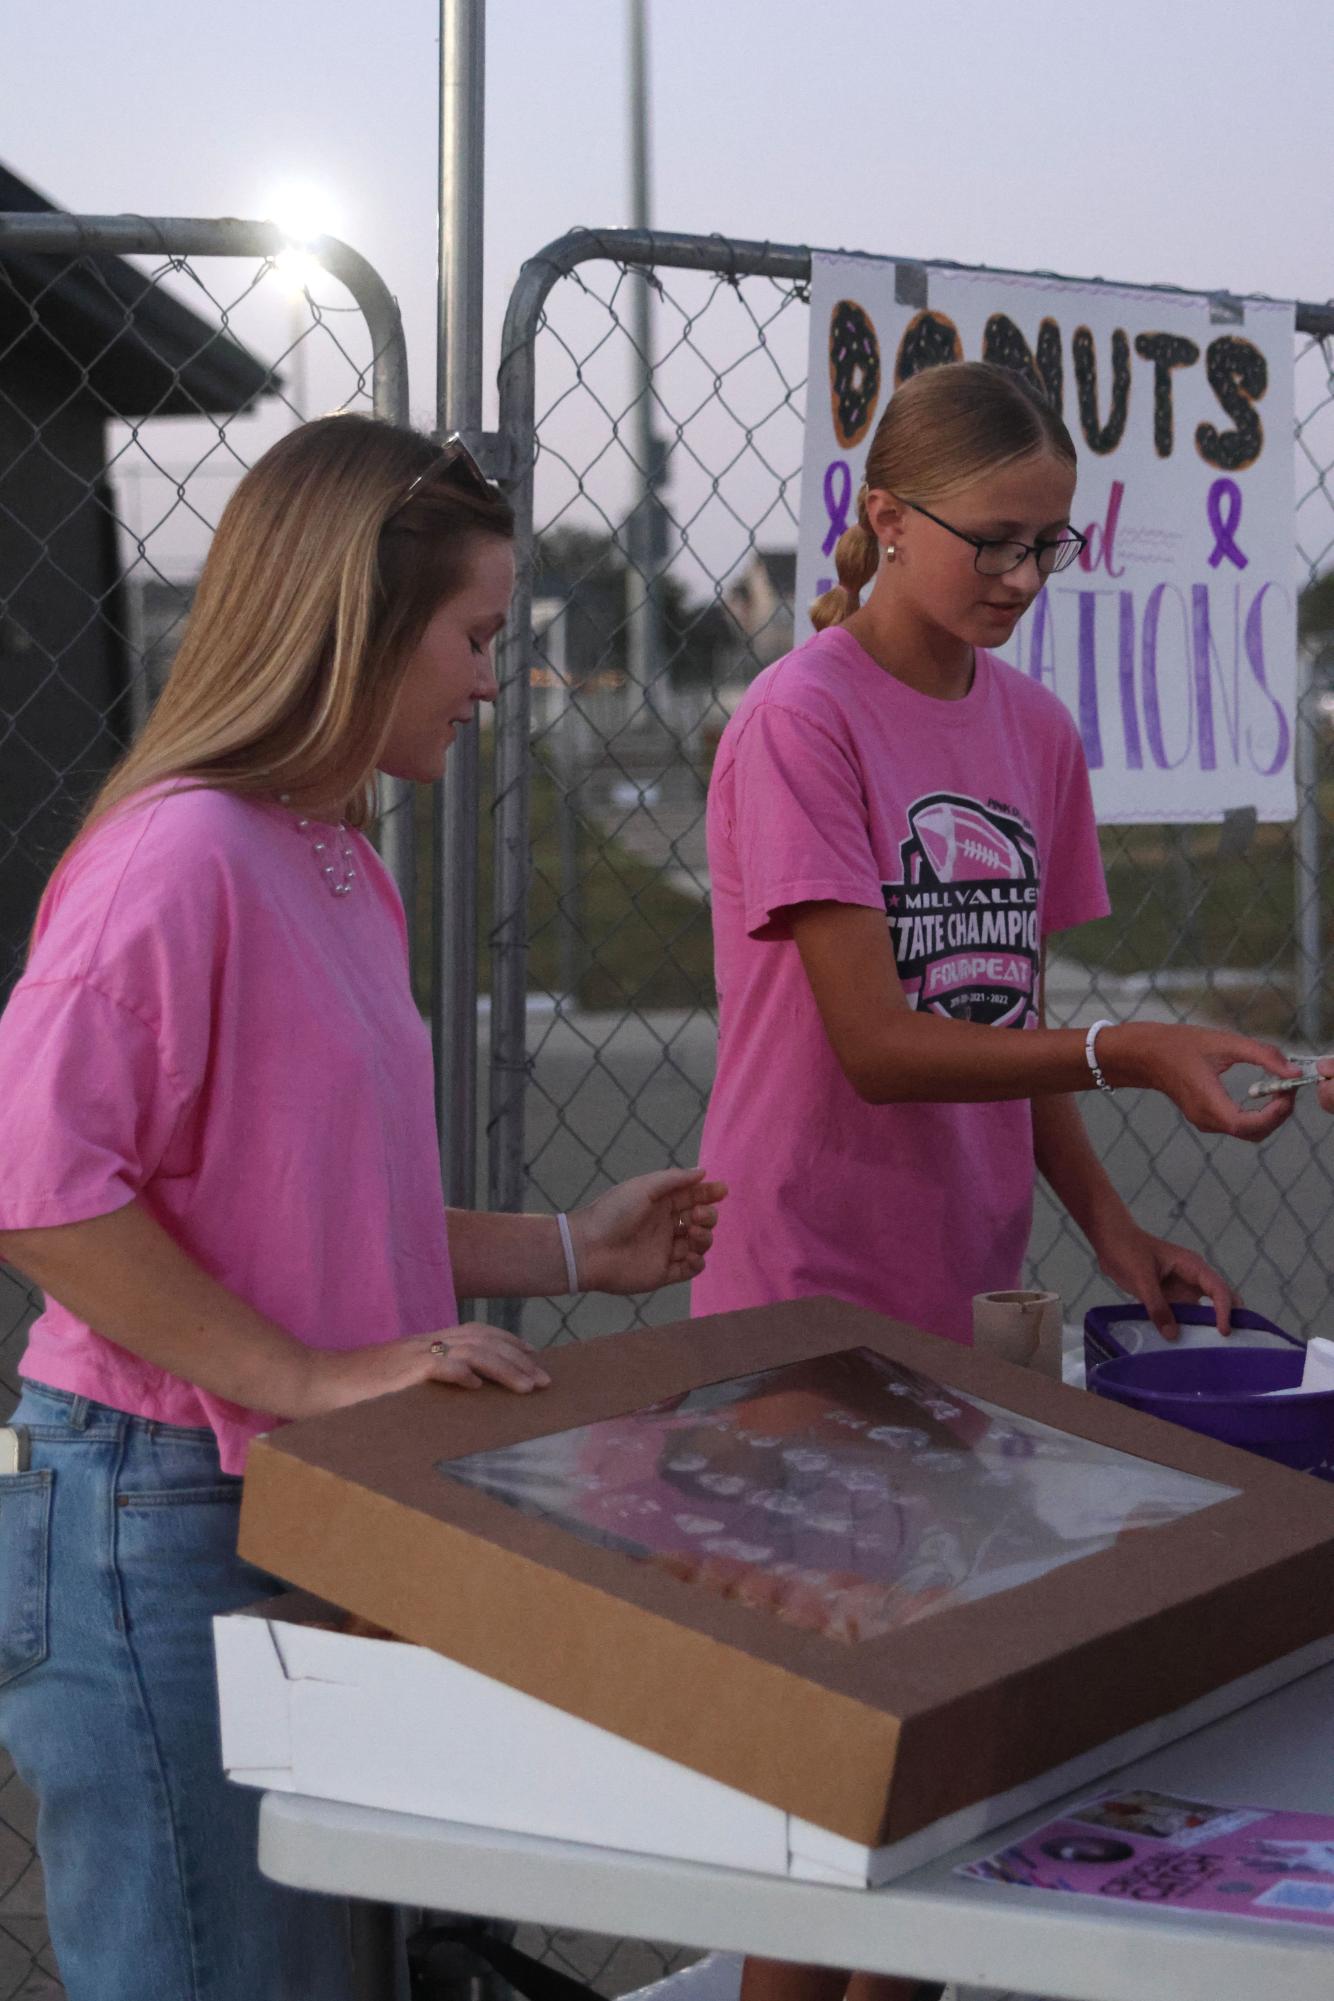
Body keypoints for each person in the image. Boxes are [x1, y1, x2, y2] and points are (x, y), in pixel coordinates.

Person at [0, 415, 725, 2001]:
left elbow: (314, 1201)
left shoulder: (332, 853)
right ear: (355, 623)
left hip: (288, 1497)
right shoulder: (175, 854)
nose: (493, 677)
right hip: (158, 1506)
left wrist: (564, 1251)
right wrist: (318, 1381)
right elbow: (42, 1194)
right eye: (475, 636)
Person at [690, 360, 1297, 2001]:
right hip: (803, 1304)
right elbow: (882, 1042)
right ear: (883, 517)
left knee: (947, 1800)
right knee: (831, 1824)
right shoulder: (799, 720)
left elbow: (1001, 1012)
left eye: (1051, 546)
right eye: (993, 542)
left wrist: (1110, 1225)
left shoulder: (1030, 727)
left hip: (963, 1303)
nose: (1024, 581)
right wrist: (1134, 1045)